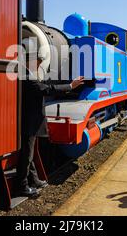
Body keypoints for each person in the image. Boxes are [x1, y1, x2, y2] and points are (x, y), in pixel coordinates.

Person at [17, 39, 85, 197]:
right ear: (29, 61)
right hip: (28, 122)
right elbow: (47, 90)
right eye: (38, 61)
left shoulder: (28, 74)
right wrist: (70, 86)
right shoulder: (27, 77)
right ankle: (22, 186)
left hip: (30, 121)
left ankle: (33, 180)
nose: (40, 63)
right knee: (27, 155)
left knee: (30, 153)